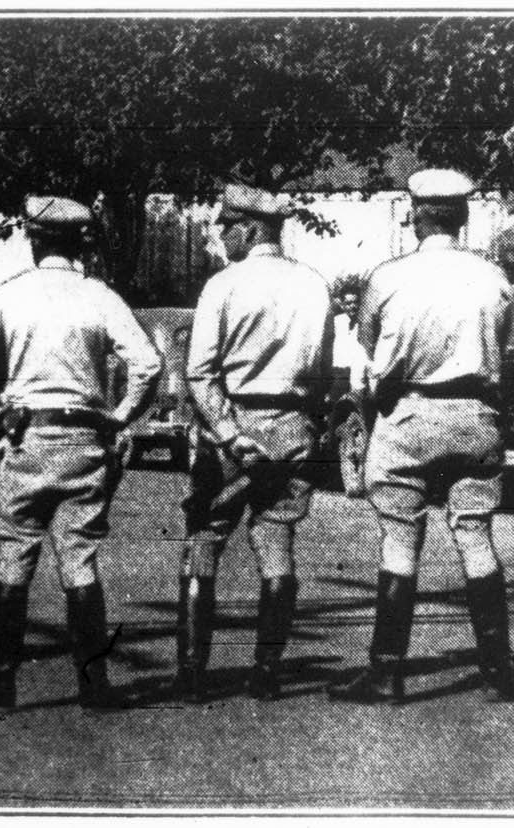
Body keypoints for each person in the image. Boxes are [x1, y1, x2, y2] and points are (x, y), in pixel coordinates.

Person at [0, 195, 161, 718]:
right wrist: (119, 417)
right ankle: (93, 685)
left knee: (15, 557)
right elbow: (149, 365)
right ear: (79, 241)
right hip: (85, 441)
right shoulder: (100, 297)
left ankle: (1, 687)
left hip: (26, 439)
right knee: (80, 559)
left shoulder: (9, 295)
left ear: (34, 239)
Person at [327, 169, 514, 704]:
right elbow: (501, 346)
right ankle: (497, 670)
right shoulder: (492, 277)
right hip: (475, 416)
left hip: (407, 415)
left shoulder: (387, 278)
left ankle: (387, 672)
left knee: (399, 539)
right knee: (476, 535)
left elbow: (368, 352)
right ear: (463, 216)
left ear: (415, 217)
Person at [175, 181, 336, 702]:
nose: (222, 237)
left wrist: (228, 433)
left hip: (233, 426)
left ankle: (193, 673)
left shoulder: (223, 285)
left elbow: (199, 372)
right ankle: (266, 671)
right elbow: (323, 368)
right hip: (294, 427)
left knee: (205, 538)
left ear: (248, 228)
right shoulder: (314, 284)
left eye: (226, 227)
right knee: (278, 544)